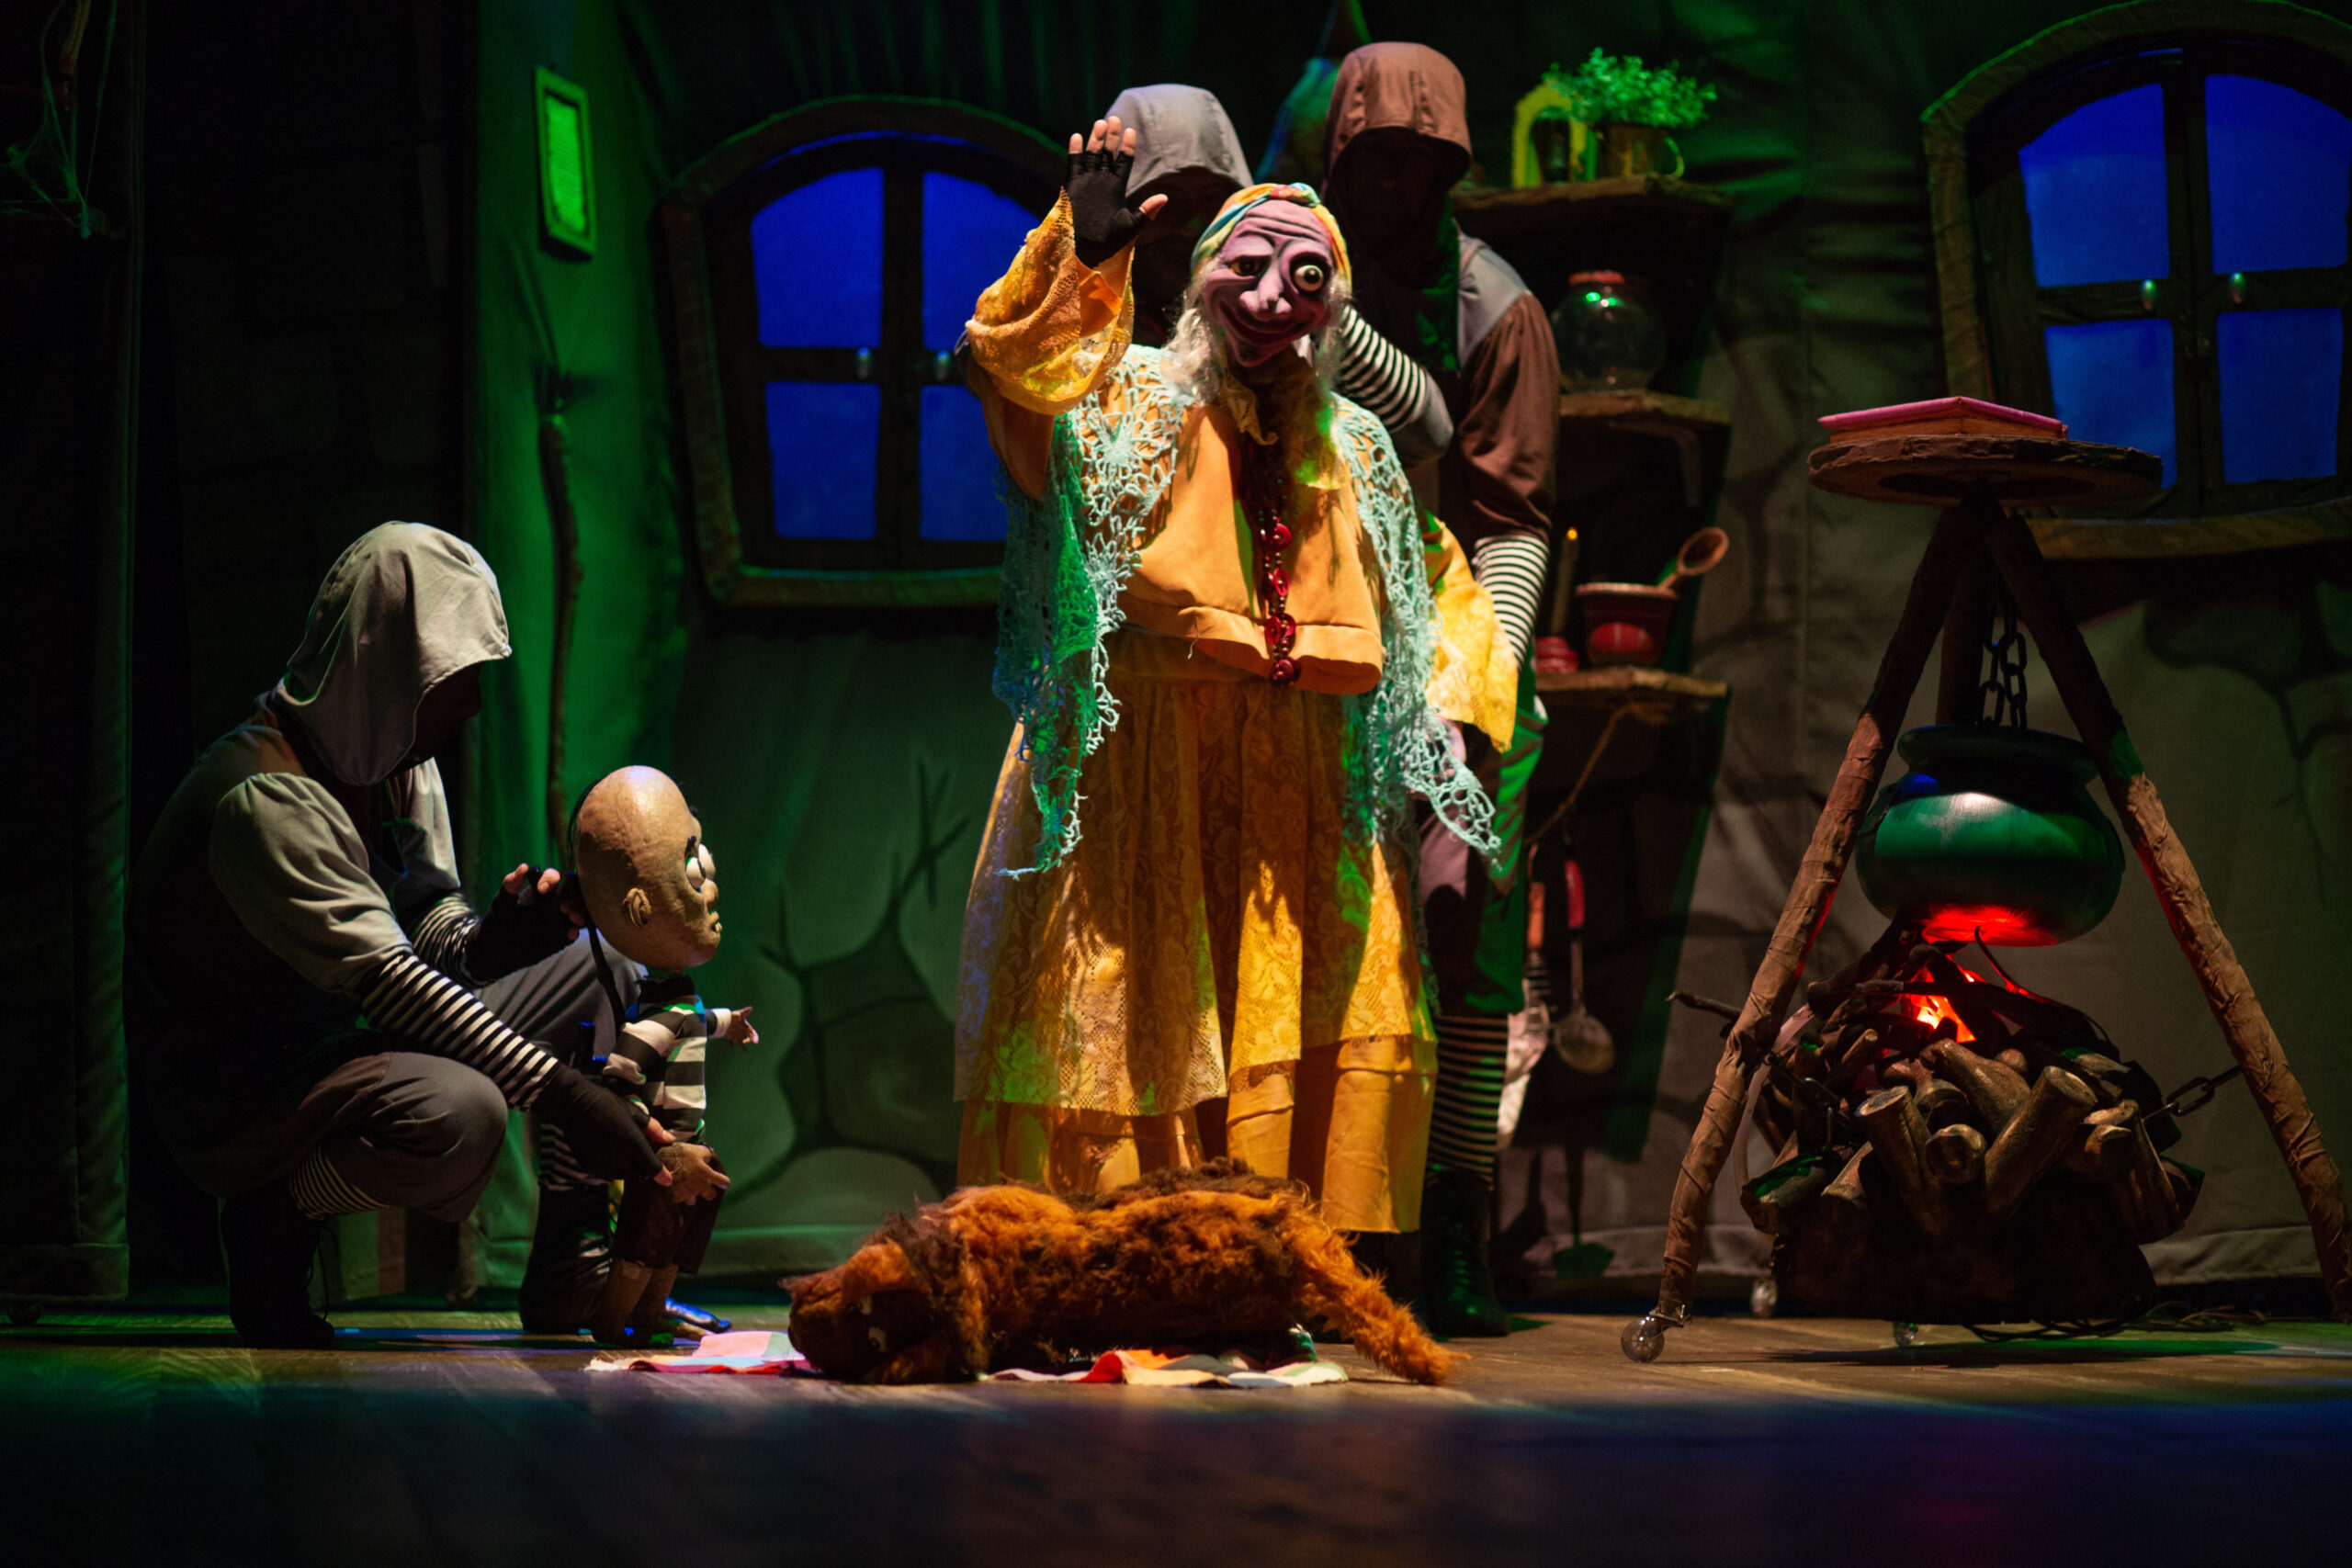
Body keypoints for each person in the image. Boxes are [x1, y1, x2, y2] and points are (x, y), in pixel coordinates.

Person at [952, 115, 1517, 1238]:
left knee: (1285, 1012)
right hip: (1142, 767)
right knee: (1135, 1003)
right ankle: (1105, 1249)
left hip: (1297, 794)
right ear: (1202, 276)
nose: (1270, 298)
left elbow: (1430, 583)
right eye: (1246, 267)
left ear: (1333, 307)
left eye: (1305, 280)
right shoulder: (1130, 399)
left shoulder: (1353, 445)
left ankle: (1266, 1254)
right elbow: (1015, 380)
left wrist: (1452, 710)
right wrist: (1081, 259)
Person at [128, 524, 672, 1348]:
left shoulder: (395, 761)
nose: (474, 703)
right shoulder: (262, 799)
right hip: (243, 1093)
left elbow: (431, 933)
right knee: (465, 1113)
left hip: (341, 1040)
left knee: (600, 965)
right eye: (457, 677)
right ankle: (278, 1212)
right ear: (388, 665)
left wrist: (497, 942)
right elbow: (395, 984)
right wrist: (564, 1093)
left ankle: (571, 1258)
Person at [1324, 42, 1563, 1336]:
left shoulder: (1495, 308)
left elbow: (1512, 518)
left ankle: (1458, 1220)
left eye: (1417, 163)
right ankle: (1326, 1225)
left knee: (1463, 940)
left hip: (1453, 642)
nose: (1393, 185)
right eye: (1371, 160)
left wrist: (1487, 678)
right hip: (1315, 644)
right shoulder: (1286, 270)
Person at [1109, 82, 1454, 464]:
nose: (1192, 224)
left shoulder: (1281, 325)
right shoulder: (1093, 330)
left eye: (1211, 197)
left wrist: (1320, 306)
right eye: (1165, 200)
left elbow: (1429, 435)